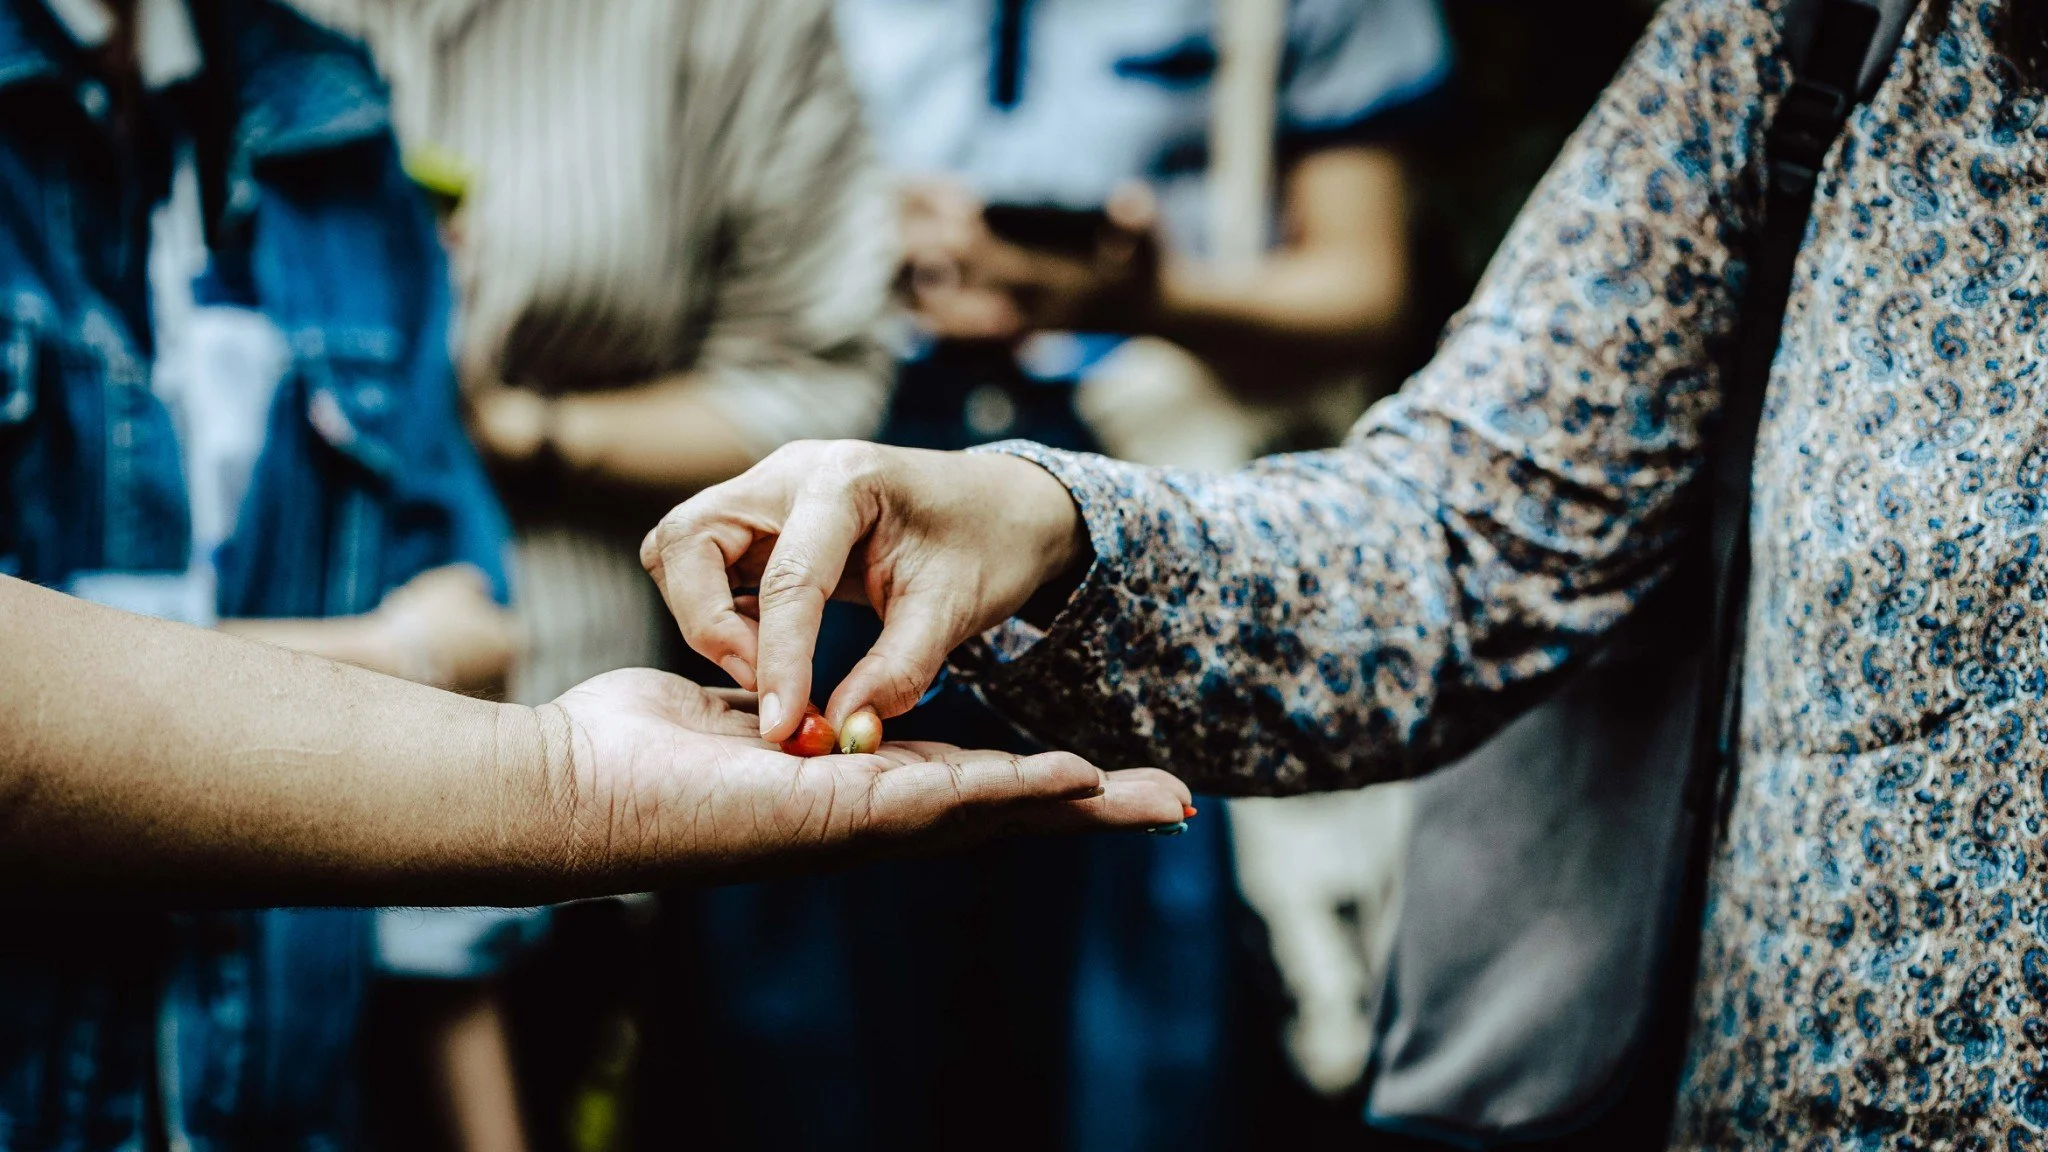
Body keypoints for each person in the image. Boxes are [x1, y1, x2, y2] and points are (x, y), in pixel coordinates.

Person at [646, 0, 2048, 1146]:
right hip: (960, 559)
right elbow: (1472, 527)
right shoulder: (1818, 34)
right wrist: (1058, 528)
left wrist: (1145, 300)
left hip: (1161, 436)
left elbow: (1360, 289)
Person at [0, 1, 1187, 1147]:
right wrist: (400, 664)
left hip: (292, 1039)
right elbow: (434, 649)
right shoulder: (301, 109)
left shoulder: (315, 112)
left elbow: (462, 627)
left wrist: (538, 764)